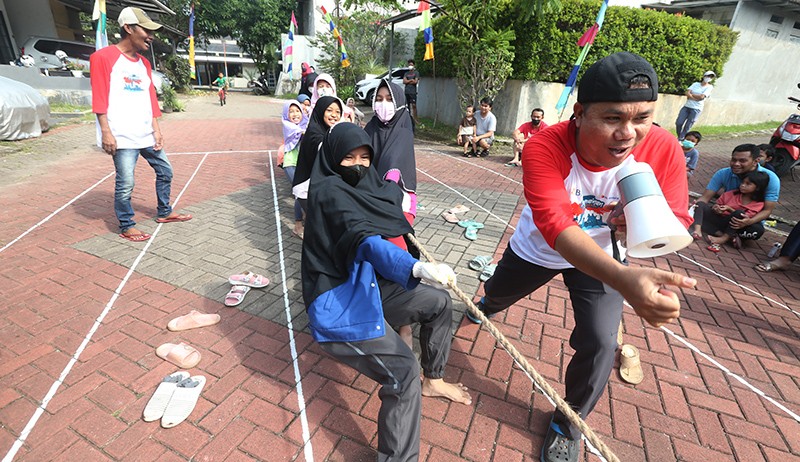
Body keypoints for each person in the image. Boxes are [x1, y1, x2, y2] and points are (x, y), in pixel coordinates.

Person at [465, 52, 697, 462]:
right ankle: (483, 305)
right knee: (495, 296)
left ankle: (568, 422)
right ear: (579, 114)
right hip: (541, 248)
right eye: (612, 119)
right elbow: (557, 227)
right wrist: (627, 281)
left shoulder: (661, 147)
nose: (628, 133)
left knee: (602, 342)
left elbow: (678, 215)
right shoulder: (544, 146)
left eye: (642, 117)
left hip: (605, 254)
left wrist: (646, 224)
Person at [302, 122, 472, 461]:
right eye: (348, 158)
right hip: (340, 303)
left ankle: (434, 380)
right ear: (332, 160)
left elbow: (390, 199)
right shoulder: (329, 193)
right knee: (403, 371)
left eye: (365, 157)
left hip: (371, 286)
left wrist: (396, 192)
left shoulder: (369, 188)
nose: (359, 165)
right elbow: (365, 239)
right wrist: (416, 268)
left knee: (438, 302)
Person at [90, 7, 192, 242]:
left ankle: (165, 211)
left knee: (166, 170)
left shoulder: (144, 64)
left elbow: (150, 98)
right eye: (146, 30)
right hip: (121, 135)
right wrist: (106, 132)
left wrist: (156, 129)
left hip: (146, 132)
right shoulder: (103, 58)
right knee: (126, 182)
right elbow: (99, 98)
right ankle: (126, 224)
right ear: (128, 28)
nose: (151, 35)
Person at [364, 79, 418, 348]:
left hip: (397, 203)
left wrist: (376, 198)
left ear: (397, 102)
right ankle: (374, 311)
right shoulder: (371, 126)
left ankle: (404, 325)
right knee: (368, 254)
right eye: (379, 98)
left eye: (388, 99)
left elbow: (393, 170)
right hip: (371, 200)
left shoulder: (403, 129)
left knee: (397, 255)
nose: (383, 104)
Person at [689, 144, 780, 243]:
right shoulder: (723, 173)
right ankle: (727, 235)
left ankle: (720, 233)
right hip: (722, 216)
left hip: (744, 222)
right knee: (696, 209)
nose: (736, 164)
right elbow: (705, 198)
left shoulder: (771, 179)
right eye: (733, 160)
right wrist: (695, 208)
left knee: (756, 231)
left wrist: (749, 221)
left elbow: (767, 210)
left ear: (756, 161)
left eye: (742, 161)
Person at [695, 171, 770, 252]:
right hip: (720, 220)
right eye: (743, 182)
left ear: (758, 188)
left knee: (741, 215)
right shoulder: (730, 194)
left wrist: (729, 209)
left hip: (735, 225)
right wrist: (716, 209)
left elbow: (745, 217)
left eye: (748, 184)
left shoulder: (758, 203)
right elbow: (717, 205)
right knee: (700, 205)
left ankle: (724, 238)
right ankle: (698, 231)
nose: (743, 185)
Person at [292, 96, 343, 212]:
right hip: (306, 188)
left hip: (317, 187)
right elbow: (321, 147)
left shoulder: (328, 130)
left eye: (338, 112)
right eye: (329, 110)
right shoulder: (314, 132)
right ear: (320, 111)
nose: (334, 115)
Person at [280, 100, 307, 238]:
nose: (295, 114)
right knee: (299, 192)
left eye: (298, 111)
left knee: (306, 192)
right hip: (290, 163)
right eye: (291, 111)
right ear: (286, 114)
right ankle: (298, 225)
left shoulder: (305, 123)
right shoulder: (288, 126)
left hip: (303, 163)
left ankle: (305, 220)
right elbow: (300, 133)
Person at [675, 70, 715, 140]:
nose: (709, 78)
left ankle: (682, 138)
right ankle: (680, 136)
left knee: (688, 125)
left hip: (696, 109)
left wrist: (691, 96)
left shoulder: (709, 87)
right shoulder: (695, 84)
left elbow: (702, 97)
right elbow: (687, 92)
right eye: (708, 76)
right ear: (704, 76)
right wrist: (695, 97)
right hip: (687, 106)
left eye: (711, 77)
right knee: (679, 122)